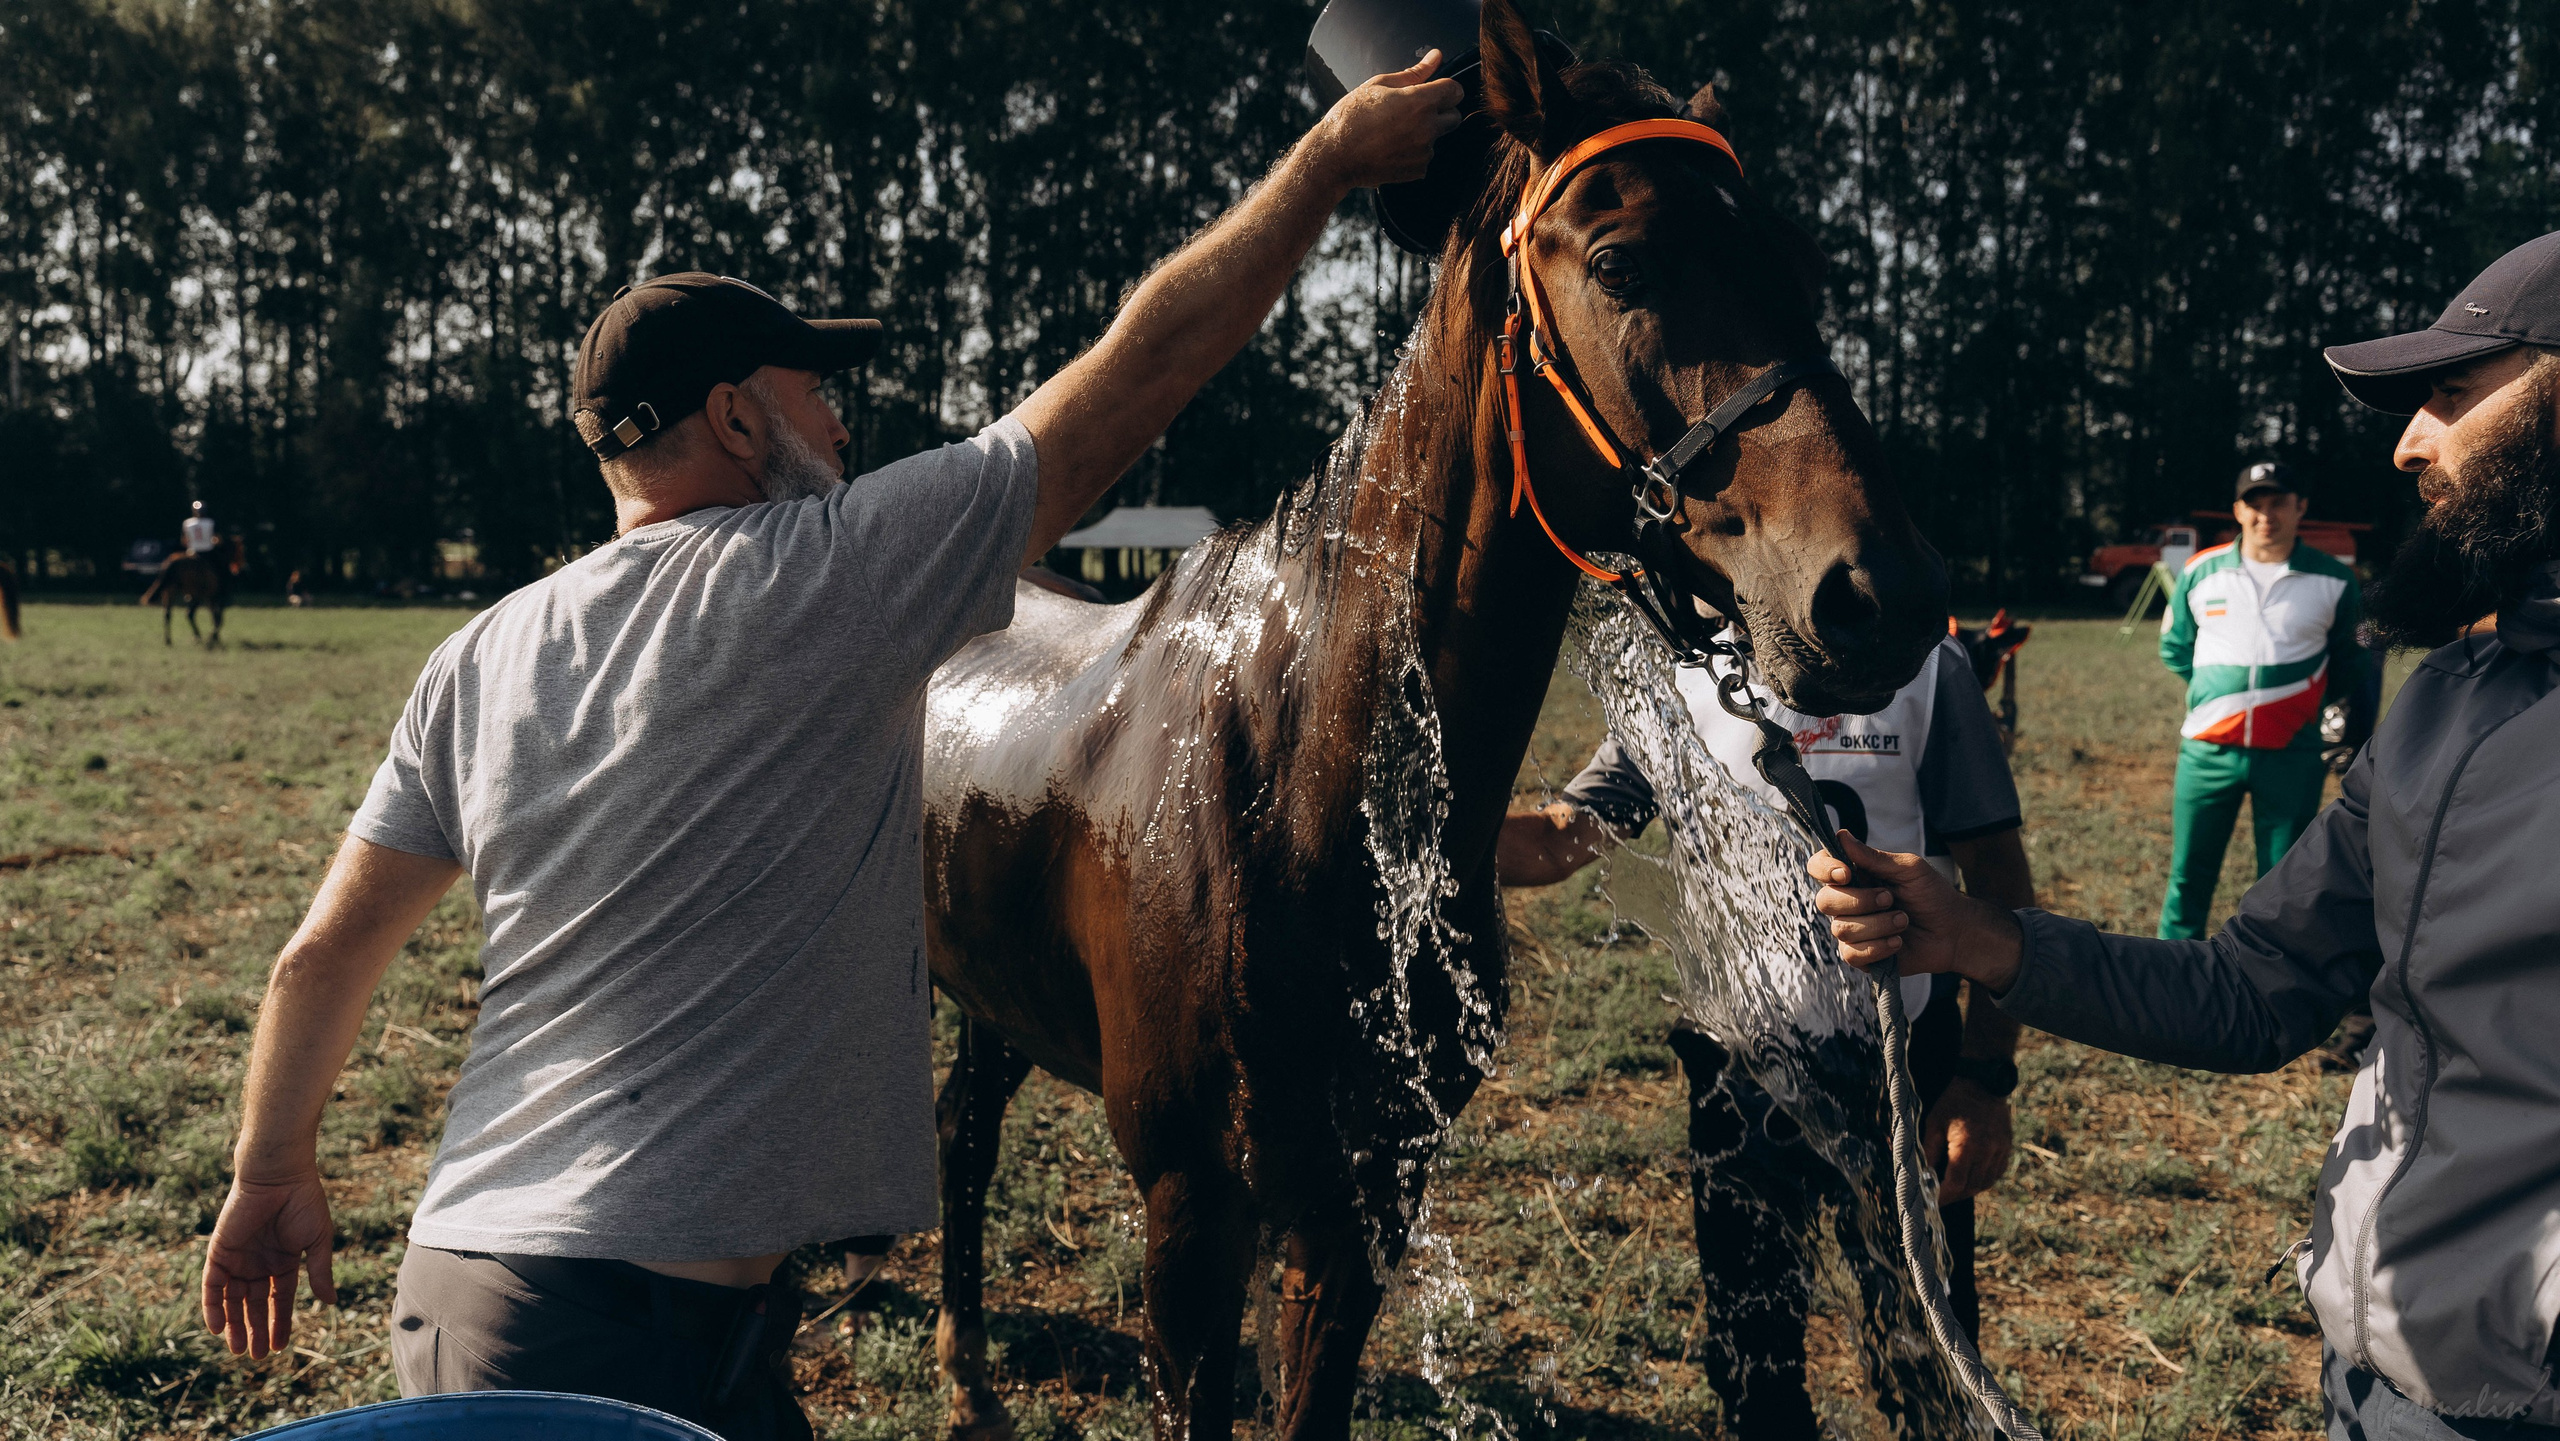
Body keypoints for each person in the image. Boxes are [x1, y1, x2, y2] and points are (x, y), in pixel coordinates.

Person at [197, 57, 1463, 1439]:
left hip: (493, 1297)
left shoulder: (482, 651)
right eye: (818, 393)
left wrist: (269, 1173)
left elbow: (321, 955)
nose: (846, 425)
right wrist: (1329, 162)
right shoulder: (827, 572)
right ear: (737, 419)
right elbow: (1140, 369)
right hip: (612, 1341)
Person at [1810, 229, 2560, 1440]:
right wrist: (1976, 937)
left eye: (2451, 394)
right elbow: (2253, 985)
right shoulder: (2443, 702)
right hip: (2371, 1385)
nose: (2408, 442)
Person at [1498, 624, 2035, 1440]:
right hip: (1737, 1067)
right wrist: (1410, 814)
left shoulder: (1922, 663)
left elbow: (2001, 883)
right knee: (1754, 1364)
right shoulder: (1681, 670)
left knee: (1932, 1359)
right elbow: (1554, 842)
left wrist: (1984, 1079)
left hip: (1899, 1072)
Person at [2156, 461, 2364, 939]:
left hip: (2292, 754)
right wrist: (2220, 697)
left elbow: (2350, 663)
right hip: (2206, 753)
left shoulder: (2334, 580)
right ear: (2238, 510)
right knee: (2188, 876)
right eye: (2255, 504)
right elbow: (2175, 646)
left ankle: (2270, 990)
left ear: (2300, 508)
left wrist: (2294, 704)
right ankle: (2170, 980)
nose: (2265, 515)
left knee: (2283, 884)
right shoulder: (2201, 571)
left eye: (2278, 503)